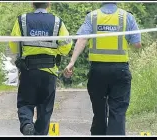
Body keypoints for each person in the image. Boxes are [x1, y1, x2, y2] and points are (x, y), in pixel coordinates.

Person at [63, 2, 142, 135]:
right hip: (120, 70)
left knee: (99, 112)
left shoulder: (92, 17)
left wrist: (72, 62)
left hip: (97, 71)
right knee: (117, 112)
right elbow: (137, 44)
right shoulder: (126, 17)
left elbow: (82, 39)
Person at [8, 2, 72, 135]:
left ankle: (27, 124)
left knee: (25, 103)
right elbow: (66, 46)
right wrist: (57, 51)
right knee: (45, 108)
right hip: (49, 72)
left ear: (33, 4)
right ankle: (40, 133)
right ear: (48, 4)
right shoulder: (57, 21)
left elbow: (14, 45)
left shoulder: (22, 20)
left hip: (28, 71)